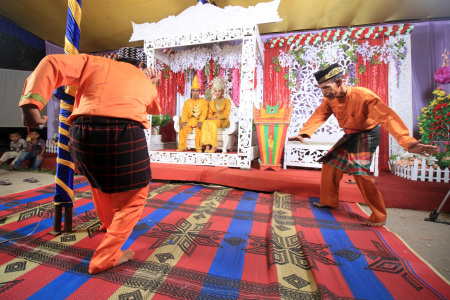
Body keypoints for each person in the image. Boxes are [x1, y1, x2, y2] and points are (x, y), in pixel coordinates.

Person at [18, 47, 161, 274]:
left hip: (80, 133)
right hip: (122, 133)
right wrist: (152, 84)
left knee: (98, 183)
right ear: (142, 67)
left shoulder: (94, 62)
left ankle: (107, 224)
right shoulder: (143, 80)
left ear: (117, 58)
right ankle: (106, 257)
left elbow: (51, 62)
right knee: (135, 197)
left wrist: (30, 103)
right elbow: (150, 106)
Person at [288, 63, 439, 227]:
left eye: (326, 87)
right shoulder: (329, 99)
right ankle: (329, 201)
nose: (324, 92)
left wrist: (407, 142)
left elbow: (388, 118)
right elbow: (319, 115)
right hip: (350, 134)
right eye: (321, 89)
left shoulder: (364, 96)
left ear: (339, 82)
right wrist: (304, 133)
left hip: (367, 134)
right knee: (330, 163)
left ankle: (379, 215)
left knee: (359, 172)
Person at [176, 75, 208, 152]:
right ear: (191, 92)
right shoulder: (188, 102)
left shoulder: (203, 102)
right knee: (183, 128)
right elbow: (184, 112)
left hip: (199, 120)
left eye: (197, 91)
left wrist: (200, 122)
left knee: (199, 129)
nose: (195, 93)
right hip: (190, 120)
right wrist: (183, 121)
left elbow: (204, 113)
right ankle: (181, 147)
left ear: (199, 92)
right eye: (193, 91)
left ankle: (198, 147)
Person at [201, 77, 232, 153]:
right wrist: (211, 117)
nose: (217, 93)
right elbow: (209, 113)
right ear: (213, 92)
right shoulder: (211, 102)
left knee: (213, 124)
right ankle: (207, 145)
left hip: (223, 120)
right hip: (213, 119)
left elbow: (226, 113)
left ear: (222, 92)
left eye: (219, 91)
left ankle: (214, 146)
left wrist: (217, 118)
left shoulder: (226, 101)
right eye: (215, 91)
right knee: (205, 123)